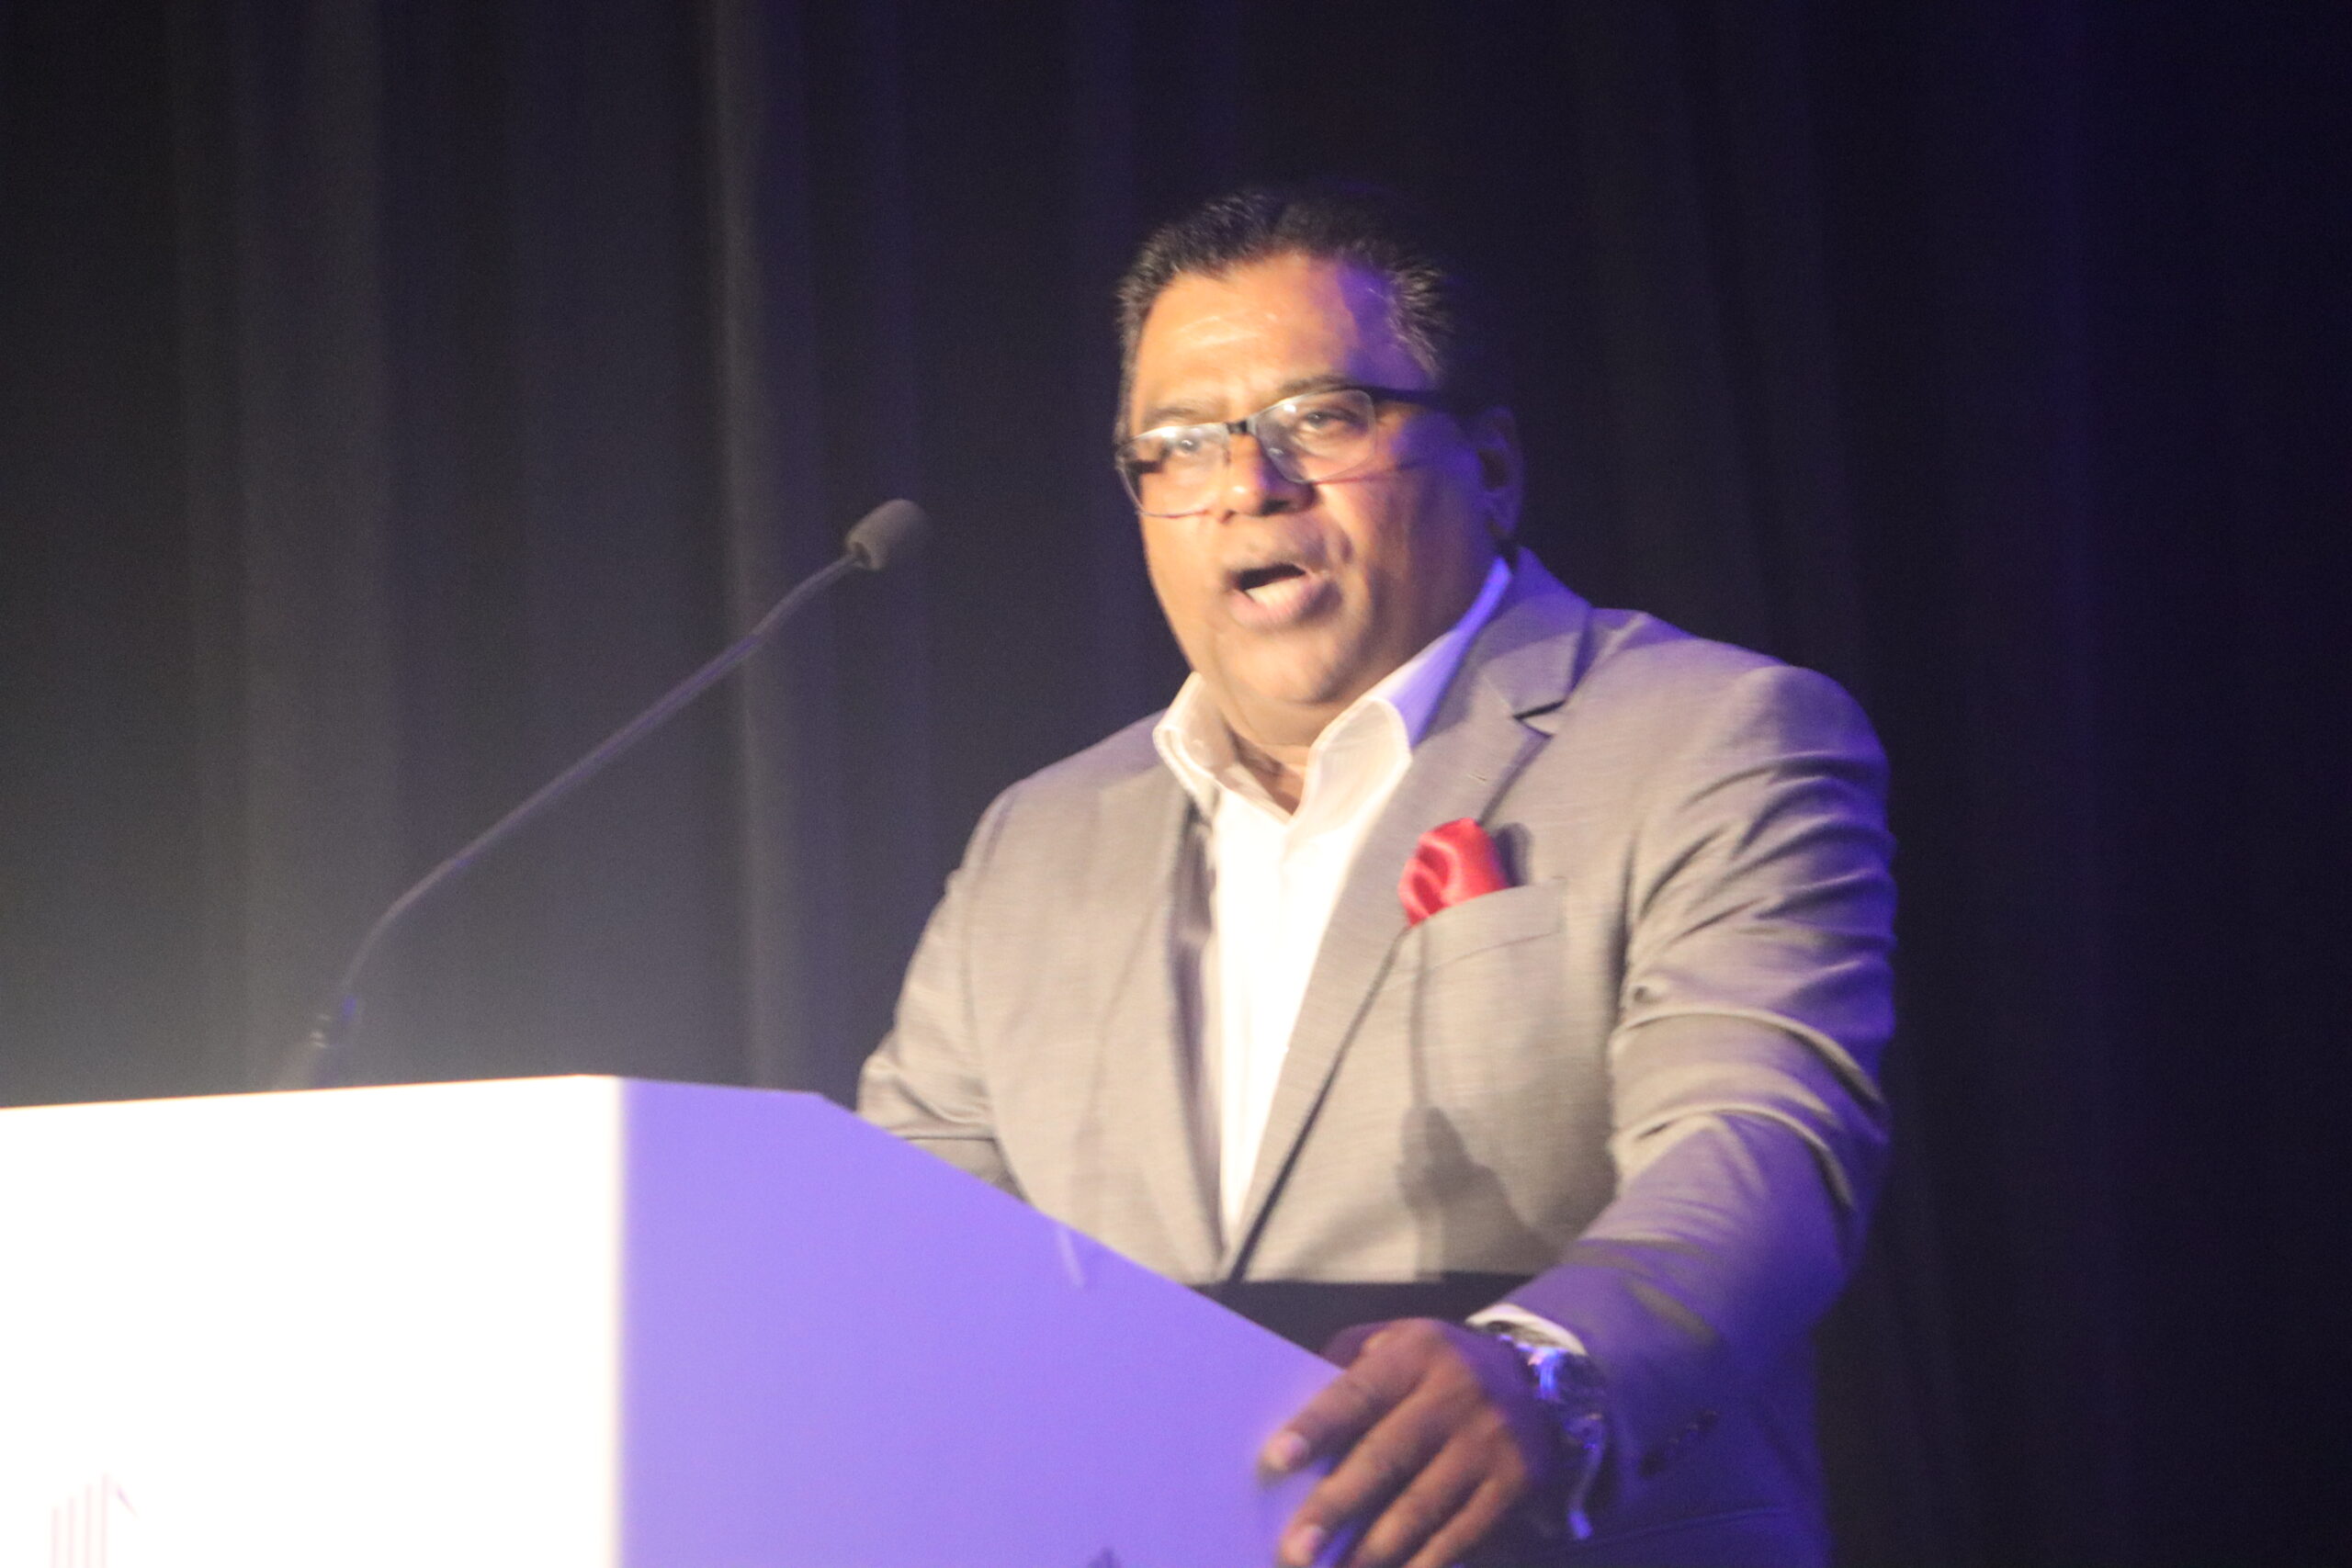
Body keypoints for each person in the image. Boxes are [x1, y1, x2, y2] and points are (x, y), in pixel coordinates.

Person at [859, 185, 1894, 1568]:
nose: (1249, 485)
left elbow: (1760, 1141)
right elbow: (904, 1230)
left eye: (1321, 419)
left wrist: (1548, 1369)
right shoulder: (1037, 841)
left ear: (1494, 464)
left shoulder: (1707, 733)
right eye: (1180, 446)